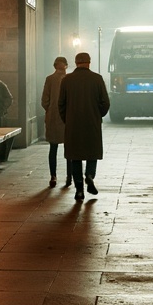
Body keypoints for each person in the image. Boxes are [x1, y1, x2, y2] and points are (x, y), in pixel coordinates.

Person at [58, 51, 110, 201]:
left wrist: (67, 119)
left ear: (75, 63)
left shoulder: (67, 80)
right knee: (92, 153)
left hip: (73, 124)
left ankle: (79, 190)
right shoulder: (97, 79)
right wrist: (97, 115)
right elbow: (105, 103)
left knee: (75, 157)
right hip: (91, 123)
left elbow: (61, 104)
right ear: (89, 62)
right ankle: (89, 175)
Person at [40, 56, 69, 187]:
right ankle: (69, 176)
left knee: (53, 147)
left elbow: (44, 99)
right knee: (69, 149)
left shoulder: (49, 79)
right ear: (66, 66)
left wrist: (50, 109)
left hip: (53, 118)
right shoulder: (70, 79)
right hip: (68, 118)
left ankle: (53, 176)